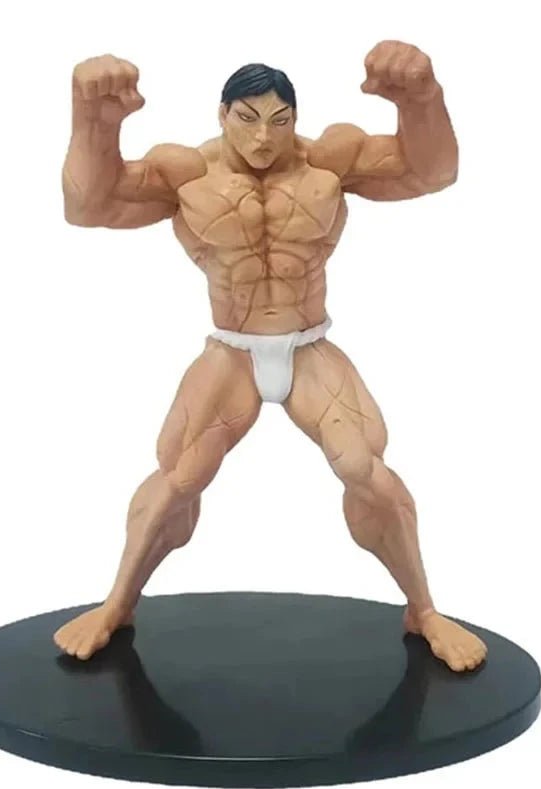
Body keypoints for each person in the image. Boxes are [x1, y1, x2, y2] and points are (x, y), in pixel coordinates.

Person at [54, 41, 487, 672]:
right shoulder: (186, 174)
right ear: (222, 114)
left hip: (309, 346)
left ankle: (423, 611)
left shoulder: (328, 162)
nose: (264, 138)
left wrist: (422, 101)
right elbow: (88, 207)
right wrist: (94, 122)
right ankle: (117, 605)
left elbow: (431, 172)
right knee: (179, 478)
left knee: (365, 469)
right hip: (232, 351)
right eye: (248, 119)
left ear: (295, 118)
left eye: (280, 121)